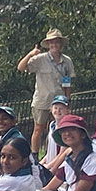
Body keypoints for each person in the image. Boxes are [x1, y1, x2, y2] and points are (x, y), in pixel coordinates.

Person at [17, 28, 76, 157]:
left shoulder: (67, 61)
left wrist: (68, 100)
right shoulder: (40, 59)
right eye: (51, 42)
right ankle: (35, 156)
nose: (54, 45)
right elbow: (21, 67)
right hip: (42, 100)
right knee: (38, 128)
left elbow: (67, 83)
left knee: (59, 128)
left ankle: (54, 154)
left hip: (59, 101)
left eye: (56, 42)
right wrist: (31, 54)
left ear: (61, 44)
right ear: (48, 45)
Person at [40, 95, 72, 176]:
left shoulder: (66, 129)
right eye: (55, 108)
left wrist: (49, 166)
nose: (58, 111)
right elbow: (50, 150)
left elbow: (62, 154)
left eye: (61, 108)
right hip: (50, 164)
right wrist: (42, 162)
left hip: (59, 168)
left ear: (68, 111)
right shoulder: (52, 125)